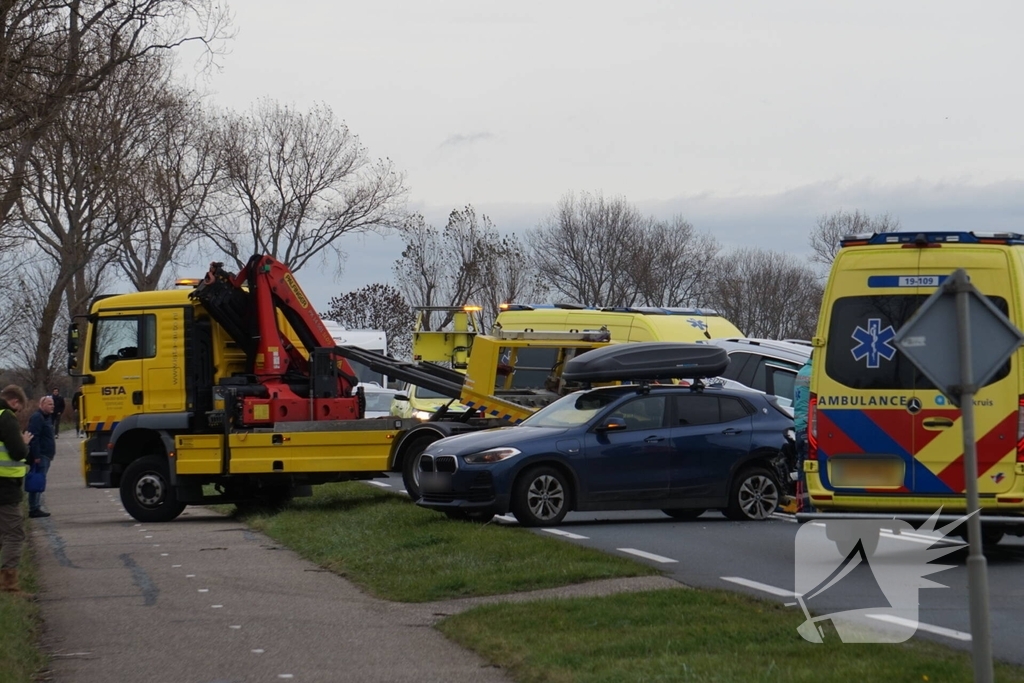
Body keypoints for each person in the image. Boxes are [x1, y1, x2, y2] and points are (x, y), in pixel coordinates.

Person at [0, 385, 34, 597]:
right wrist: (24, 443)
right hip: (5, 486)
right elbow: (17, 451)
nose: (18, 413)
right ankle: (9, 586)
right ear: (14, 402)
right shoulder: (6, 417)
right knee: (14, 534)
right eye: (19, 409)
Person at [26, 395, 56, 518]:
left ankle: (36, 506)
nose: (52, 406)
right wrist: (36, 455)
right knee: (36, 481)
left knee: (40, 480)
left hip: (46, 455)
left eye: (53, 404)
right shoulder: (37, 418)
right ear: (42, 405)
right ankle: (34, 508)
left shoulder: (47, 418)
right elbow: (34, 437)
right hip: (41, 455)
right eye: (49, 404)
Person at [792, 352, 814, 513]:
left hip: (800, 427)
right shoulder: (814, 374)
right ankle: (808, 508)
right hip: (808, 427)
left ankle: (802, 506)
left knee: (802, 470)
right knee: (809, 469)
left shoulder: (803, 372)